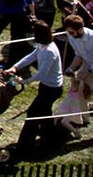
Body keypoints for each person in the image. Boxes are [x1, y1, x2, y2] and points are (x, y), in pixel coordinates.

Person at [5, 21, 67, 156]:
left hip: (52, 89)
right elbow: (31, 57)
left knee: (33, 114)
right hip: (46, 87)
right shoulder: (43, 46)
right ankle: (50, 141)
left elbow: (41, 73)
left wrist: (24, 81)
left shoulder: (50, 51)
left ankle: (24, 147)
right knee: (44, 114)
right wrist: (15, 67)